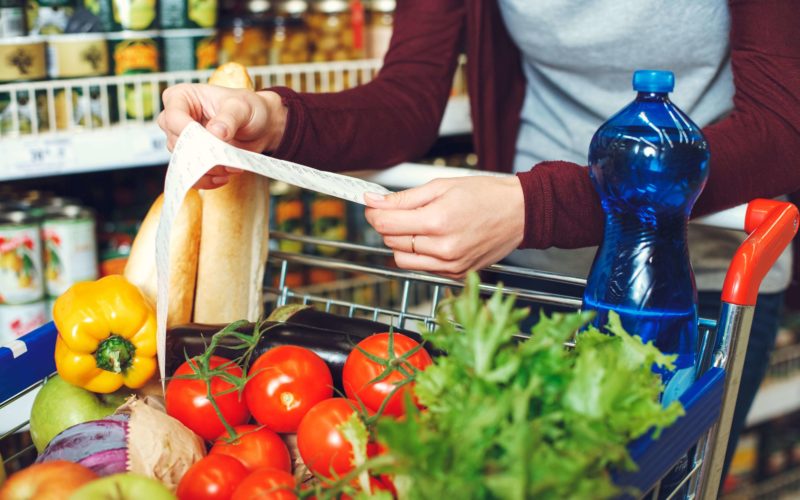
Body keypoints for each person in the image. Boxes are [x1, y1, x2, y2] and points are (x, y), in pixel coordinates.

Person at [158, 0, 800, 485]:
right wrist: (273, 119)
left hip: (688, 286)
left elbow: (780, 126)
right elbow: (407, 98)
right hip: (527, 274)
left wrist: (538, 206)